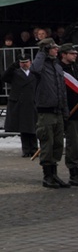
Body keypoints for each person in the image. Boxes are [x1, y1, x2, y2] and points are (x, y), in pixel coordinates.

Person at [31, 38, 70, 188]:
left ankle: (54, 174)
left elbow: (62, 91)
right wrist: (42, 52)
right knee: (47, 143)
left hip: (58, 110)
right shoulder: (41, 65)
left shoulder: (57, 66)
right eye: (53, 48)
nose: (57, 50)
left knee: (58, 144)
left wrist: (65, 112)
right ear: (47, 49)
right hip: (45, 111)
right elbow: (34, 69)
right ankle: (47, 175)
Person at [2, 54, 38, 157]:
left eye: (26, 62)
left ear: (30, 62)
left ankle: (34, 149)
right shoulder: (15, 73)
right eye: (22, 62)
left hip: (32, 102)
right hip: (21, 103)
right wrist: (13, 66)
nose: (24, 64)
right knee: (24, 128)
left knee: (33, 127)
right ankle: (26, 150)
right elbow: (4, 77)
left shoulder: (34, 73)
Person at [58, 43, 78, 185]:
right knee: (74, 143)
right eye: (71, 53)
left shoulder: (75, 68)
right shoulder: (59, 70)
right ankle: (74, 173)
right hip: (71, 111)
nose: (75, 55)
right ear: (63, 55)